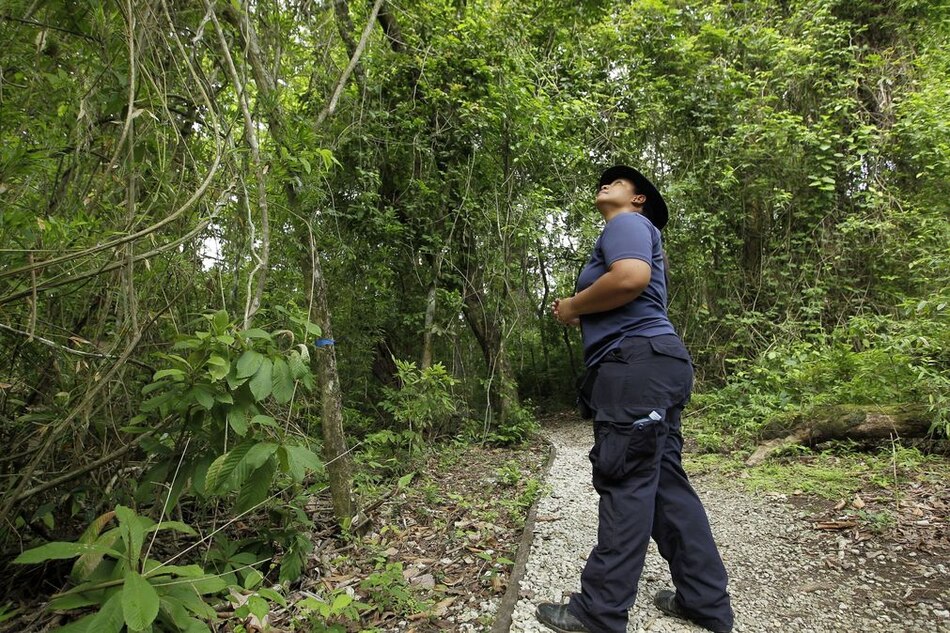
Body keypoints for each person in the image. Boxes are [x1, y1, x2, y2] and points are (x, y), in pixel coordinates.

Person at [535, 166, 734, 633]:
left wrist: (573, 305)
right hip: (656, 362)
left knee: (624, 480)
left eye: (618, 181)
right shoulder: (634, 229)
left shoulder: (624, 223)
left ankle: (599, 613)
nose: (605, 184)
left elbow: (629, 278)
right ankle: (704, 602)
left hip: (635, 365)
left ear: (638, 198)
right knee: (665, 485)